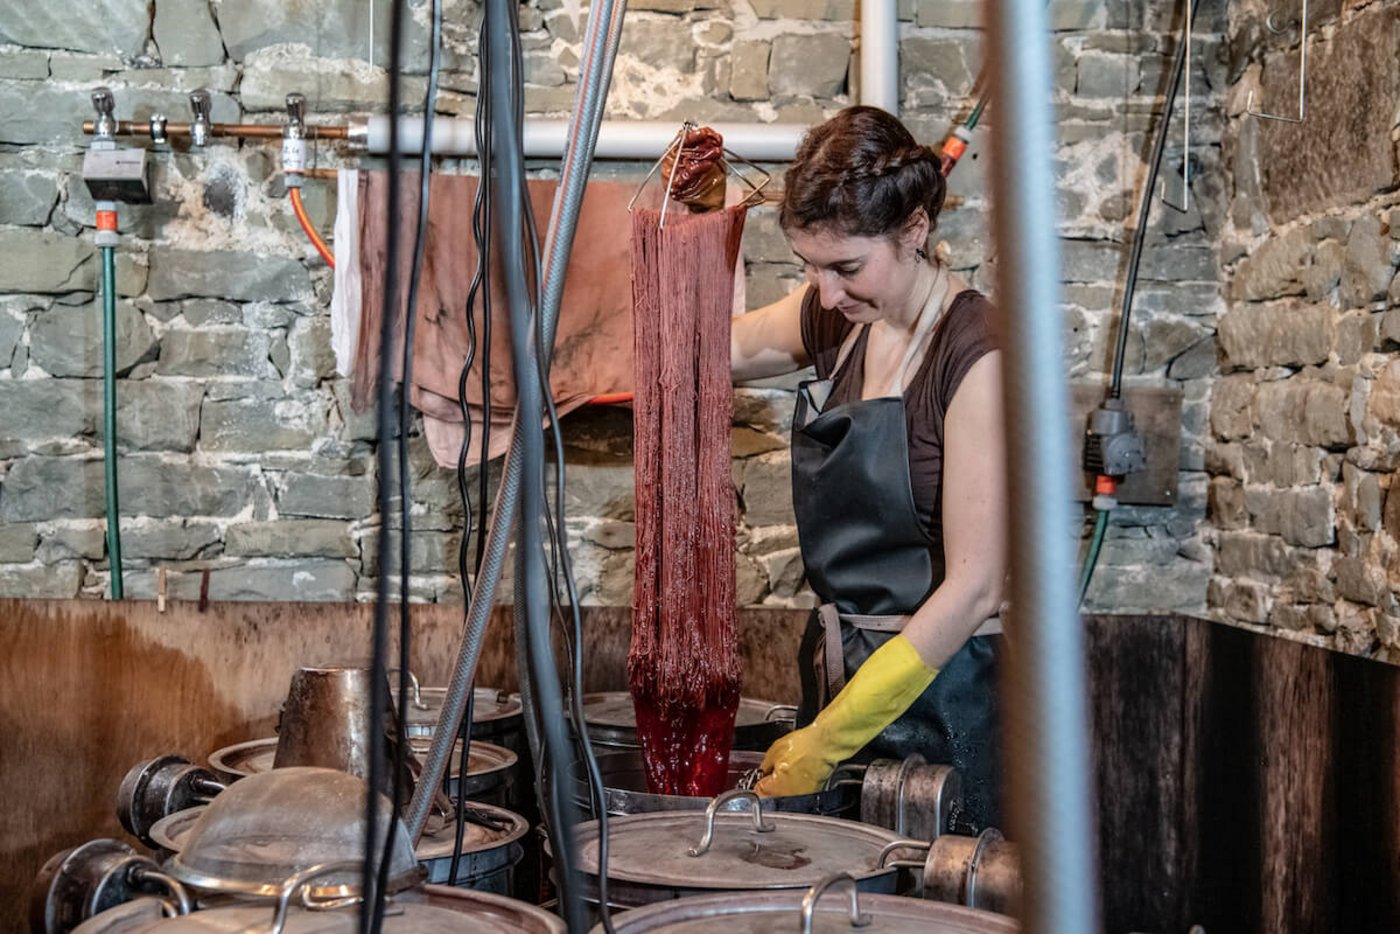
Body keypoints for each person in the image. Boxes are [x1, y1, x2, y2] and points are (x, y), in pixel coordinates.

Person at [731, 105, 1008, 833]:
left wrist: (829, 738)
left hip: (951, 705)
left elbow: (977, 587)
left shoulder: (977, 353)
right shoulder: (837, 316)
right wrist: (696, 225)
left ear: (914, 230)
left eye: (847, 267)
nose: (824, 293)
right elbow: (714, 349)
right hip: (839, 680)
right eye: (810, 268)